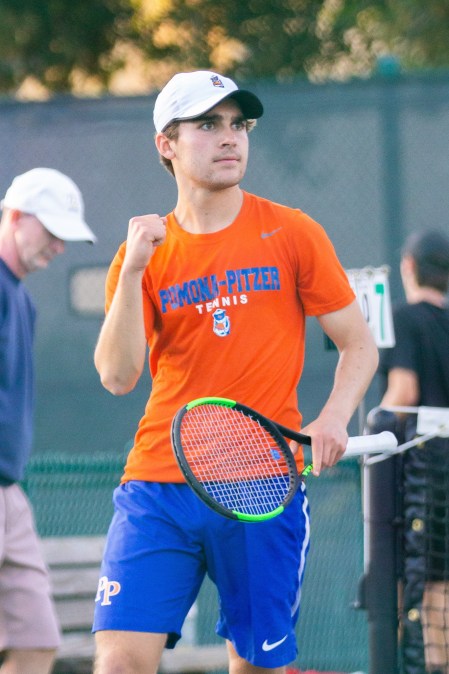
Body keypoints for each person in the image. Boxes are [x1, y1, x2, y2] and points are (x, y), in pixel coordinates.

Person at [92, 70, 378, 674]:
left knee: (255, 668)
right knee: (118, 663)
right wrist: (136, 270)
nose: (229, 138)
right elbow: (118, 376)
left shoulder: (293, 232)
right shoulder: (143, 252)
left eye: (237, 125)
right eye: (207, 124)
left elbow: (359, 346)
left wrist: (331, 418)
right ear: (166, 144)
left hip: (262, 488)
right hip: (157, 485)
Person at [0, 167, 96, 674]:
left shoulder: (22, 299)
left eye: (66, 235)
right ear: (15, 216)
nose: (59, 245)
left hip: (10, 495)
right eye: (52, 230)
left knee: (36, 642)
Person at [376, 230, 449, 674]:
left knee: (406, 589)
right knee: (440, 589)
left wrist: (369, 430)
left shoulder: (403, 319)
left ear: (408, 267)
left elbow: (403, 392)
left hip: (420, 476)